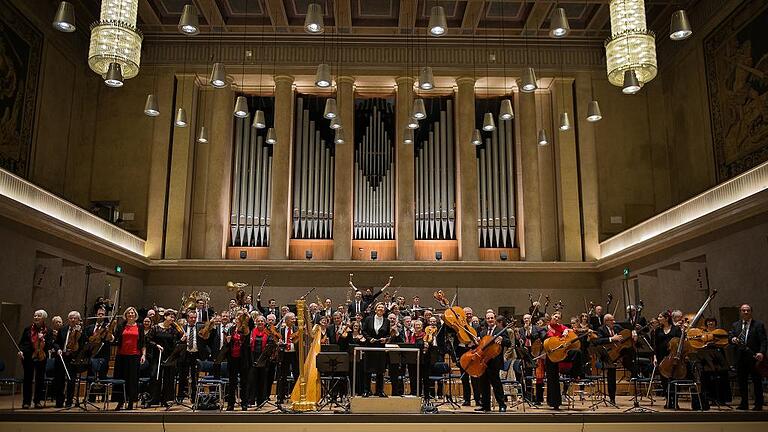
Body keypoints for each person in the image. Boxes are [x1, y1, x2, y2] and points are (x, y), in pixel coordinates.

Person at [730, 304, 767, 411]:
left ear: (751, 312)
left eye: (748, 310)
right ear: (740, 312)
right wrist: (733, 339)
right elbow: (730, 337)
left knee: (756, 381)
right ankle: (744, 403)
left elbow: (763, 341)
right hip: (740, 357)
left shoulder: (758, 325)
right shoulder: (735, 325)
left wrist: (761, 353)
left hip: (754, 357)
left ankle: (758, 404)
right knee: (742, 381)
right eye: (743, 310)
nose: (746, 312)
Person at [544, 311, 583, 410]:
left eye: (559, 318)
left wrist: (567, 331)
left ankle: (575, 374)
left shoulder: (562, 327)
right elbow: (541, 338)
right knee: (553, 379)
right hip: (551, 355)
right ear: (552, 316)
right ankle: (554, 403)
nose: (557, 319)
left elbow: (570, 333)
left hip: (562, 353)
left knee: (577, 352)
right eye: (555, 316)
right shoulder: (545, 328)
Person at [593, 313, 632, 404]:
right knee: (611, 376)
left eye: (613, 320)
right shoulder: (601, 329)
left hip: (620, 353)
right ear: (606, 321)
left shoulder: (617, 327)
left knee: (629, 351)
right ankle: (612, 397)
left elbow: (626, 333)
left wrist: (633, 332)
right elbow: (598, 341)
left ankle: (632, 370)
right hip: (610, 354)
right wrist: (611, 338)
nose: (614, 322)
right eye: (611, 320)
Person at [111, 307, 146, 410]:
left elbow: (143, 342)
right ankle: (120, 401)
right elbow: (116, 339)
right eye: (129, 313)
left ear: (135, 315)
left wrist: (143, 355)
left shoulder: (139, 326)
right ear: (125, 315)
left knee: (132, 380)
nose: (131, 315)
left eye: (132, 313)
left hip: (135, 355)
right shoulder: (121, 326)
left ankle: (131, 401)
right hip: (122, 356)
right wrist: (110, 336)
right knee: (121, 379)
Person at [18, 309, 54, 409]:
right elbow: (23, 343)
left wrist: (43, 340)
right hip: (29, 356)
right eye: (35, 316)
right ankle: (26, 402)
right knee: (27, 379)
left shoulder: (48, 331)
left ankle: (37, 401)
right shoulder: (28, 329)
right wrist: (21, 351)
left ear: (43, 318)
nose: (36, 318)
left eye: (38, 316)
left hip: (41, 357)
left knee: (40, 379)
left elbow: (50, 345)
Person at [148, 309, 184, 407]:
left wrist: (181, 339)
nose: (173, 319)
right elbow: (149, 340)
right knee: (155, 376)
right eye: (171, 317)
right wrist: (156, 345)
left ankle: (166, 400)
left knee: (169, 378)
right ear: (165, 317)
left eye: (173, 317)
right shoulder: (156, 328)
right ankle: (153, 399)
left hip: (169, 356)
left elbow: (176, 343)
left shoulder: (173, 330)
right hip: (157, 355)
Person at [474, 311, 509, 412]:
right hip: (484, 361)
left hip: (495, 361)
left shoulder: (501, 330)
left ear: (495, 319)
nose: (490, 320)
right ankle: (486, 405)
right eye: (488, 318)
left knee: (496, 383)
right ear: (486, 320)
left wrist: (502, 339)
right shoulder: (483, 332)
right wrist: (478, 342)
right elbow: (481, 347)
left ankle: (502, 405)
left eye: (491, 318)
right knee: (483, 384)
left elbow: (509, 342)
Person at [53, 311, 85, 408]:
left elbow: (83, 345)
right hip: (62, 357)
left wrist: (79, 335)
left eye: (75, 318)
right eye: (70, 318)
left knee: (71, 381)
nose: (72, 320)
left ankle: (69, 401)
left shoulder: (81, 331)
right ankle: (59, 402)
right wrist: (58, 349)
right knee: (59, 380)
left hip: (73, 359)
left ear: (78, 320)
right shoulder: (63, 329)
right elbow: (56, 342)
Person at [652, 310, 681, 409]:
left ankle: (675, 401)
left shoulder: (676, 329)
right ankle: (668, 400)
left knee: (673, 379)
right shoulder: (658, 330)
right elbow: (655, 345)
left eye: (660, 317)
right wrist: (655, 357)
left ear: (666, 318)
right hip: (661, 357)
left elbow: (680, 343)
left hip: (673, 357)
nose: (658, 319)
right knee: (664, 379)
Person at [178, 310, 208, 403]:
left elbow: (205, 339)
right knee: (183, 376)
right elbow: (177, 342)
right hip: (185, 354)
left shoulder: (200, 327)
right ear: (187, 318)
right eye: (191, 317)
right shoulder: (182, 328)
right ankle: (180, 396)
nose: (193, 319)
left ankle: (194, 397)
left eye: (195, 318)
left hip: (196, 354)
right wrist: (181, 340)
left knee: (195, 377)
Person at [362, 302, 390, 397]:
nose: (381, 309)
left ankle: (379, 391)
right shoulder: (368, 319)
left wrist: (385, 339)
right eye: (379, 307)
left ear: (384, 310)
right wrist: (370, 339)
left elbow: (388, 334)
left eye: (382, 307)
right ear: (375, 309)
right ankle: (366, 390)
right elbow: (364, 331)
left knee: (380, 370)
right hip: (370, 346)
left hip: (381, 348)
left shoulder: (387, 321)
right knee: (367, 370)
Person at [225, 309, 251, 410]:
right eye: (238, 316)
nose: (239, 317)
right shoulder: (231, 329)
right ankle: (231, 404)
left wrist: (246, 315)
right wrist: (228, 341)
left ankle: (244, 403)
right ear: (235, 318)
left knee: (244, 382)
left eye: (241, 316)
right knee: (232, 382)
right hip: (232, 358)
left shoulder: (246, 329)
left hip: (243, 358)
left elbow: (247, 340)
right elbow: (228, 344)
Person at [248, 315, 275, 408]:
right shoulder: (252, 332)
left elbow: (271, 345)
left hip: (264, 360)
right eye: (258, 321)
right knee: (252, 380)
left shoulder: (268, 333)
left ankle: (261, 401)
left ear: (265, 323)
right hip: (253, 359)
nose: (260, 323)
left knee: (262, 381)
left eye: (262, 321)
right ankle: (251, 400)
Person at [276, 312, 299, 403]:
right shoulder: (280, 330)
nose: (294, 320)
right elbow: (276, 341)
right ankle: (280, 397)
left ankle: (297, 397)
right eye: (292, 319)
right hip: (284, 355)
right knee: (282, 376)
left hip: (295, 355)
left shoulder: (297, 329)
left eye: (294, 318)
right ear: (286, 320)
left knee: (297, 375)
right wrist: (279, 343)